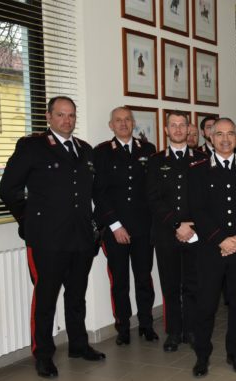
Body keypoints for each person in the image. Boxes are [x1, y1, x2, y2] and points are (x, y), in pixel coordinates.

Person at [0, 96, 106, 378]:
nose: (66, 120)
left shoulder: (85, 150)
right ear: (48, 117)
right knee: (46, 299)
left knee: (76, 296)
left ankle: (79, 345)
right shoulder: (32, 147)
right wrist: (29, 221)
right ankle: (43, 354)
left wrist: (96, 225)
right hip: (47, 240)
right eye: (60, 115)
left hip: (81, 238)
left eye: (71, 115)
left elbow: (92, 193)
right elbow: (8, 189)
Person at [187, 118, 236, 377]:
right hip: (211, 250)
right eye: (219, 134)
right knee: (206, 305)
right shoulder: (198, 169)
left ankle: (235, 352)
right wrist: (221, 239)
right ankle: (202, 355)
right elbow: (197, 210)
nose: (225, 139)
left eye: (230, 133)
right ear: (210, 137)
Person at [93, 106, 158, 347]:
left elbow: (152, 190)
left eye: (127, 120)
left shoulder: (148, 150)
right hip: (115, 229)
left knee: (144, 278)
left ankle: (146, 324)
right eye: (118, 120)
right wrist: (115, 225)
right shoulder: (101, 153)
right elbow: (99, 193)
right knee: (119, 281)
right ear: (111, 125)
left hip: (143, 228)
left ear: (133, 123)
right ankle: (122, 327)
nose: (123, 124)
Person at [147, 111, 204, 352]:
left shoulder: (202, 159)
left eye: (183, 125)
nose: (179, 130)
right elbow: (153, 198)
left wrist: (191, 225)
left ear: (189, 128)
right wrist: (176, 225)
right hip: (166, 233)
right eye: (174, 125)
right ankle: (173, 332)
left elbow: (208, 199)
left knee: (193, 284)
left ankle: (191, 329)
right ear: (166, 130)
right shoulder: (156, 160)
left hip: (196, 232)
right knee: (170, 285)